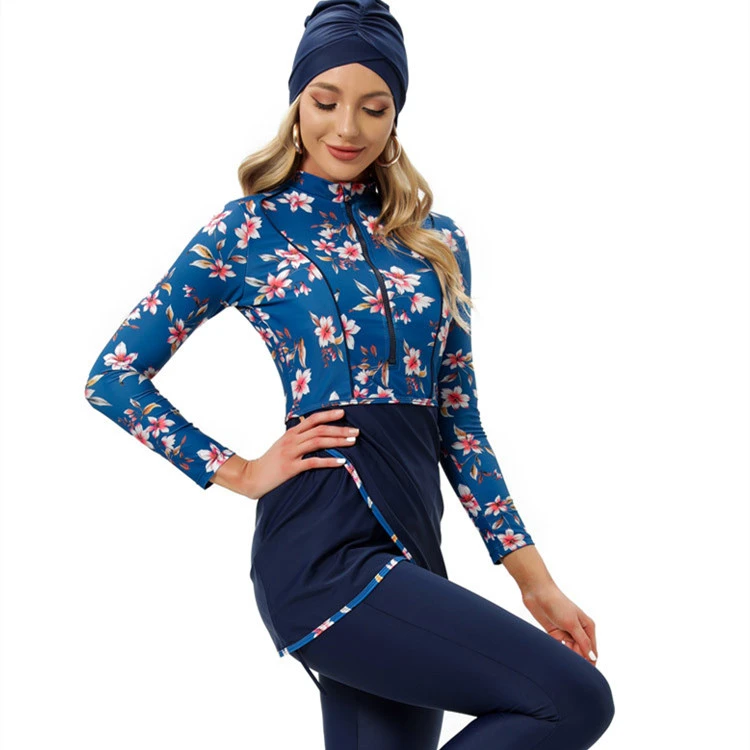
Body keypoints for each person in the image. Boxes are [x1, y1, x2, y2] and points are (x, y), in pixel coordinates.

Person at [85, 0, 615, 746]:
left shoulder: (437, 242)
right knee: (572, 700)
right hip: (318, 553)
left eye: (374, 107)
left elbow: (458, 422)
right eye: (325, 100)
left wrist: (535, 580)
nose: (347, 127)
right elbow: (114, 377)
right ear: (296, 105)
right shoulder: (247, 230)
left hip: (413, 545)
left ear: (395, 116)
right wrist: (238, 471)